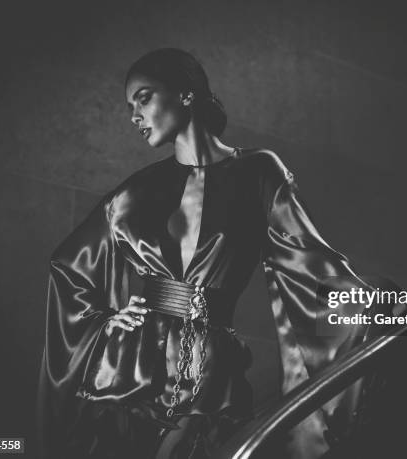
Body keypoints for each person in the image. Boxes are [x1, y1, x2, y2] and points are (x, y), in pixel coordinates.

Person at [36, 48, 383, 459]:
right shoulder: (132, 194)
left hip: (211, 366)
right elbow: (68, 267)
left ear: (185, 94)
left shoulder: (259, 171)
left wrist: (405, 302)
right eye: (129, 105)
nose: (133, 115)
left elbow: (315, 266)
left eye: (143, 98)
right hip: (132, 368)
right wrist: (106, 320)